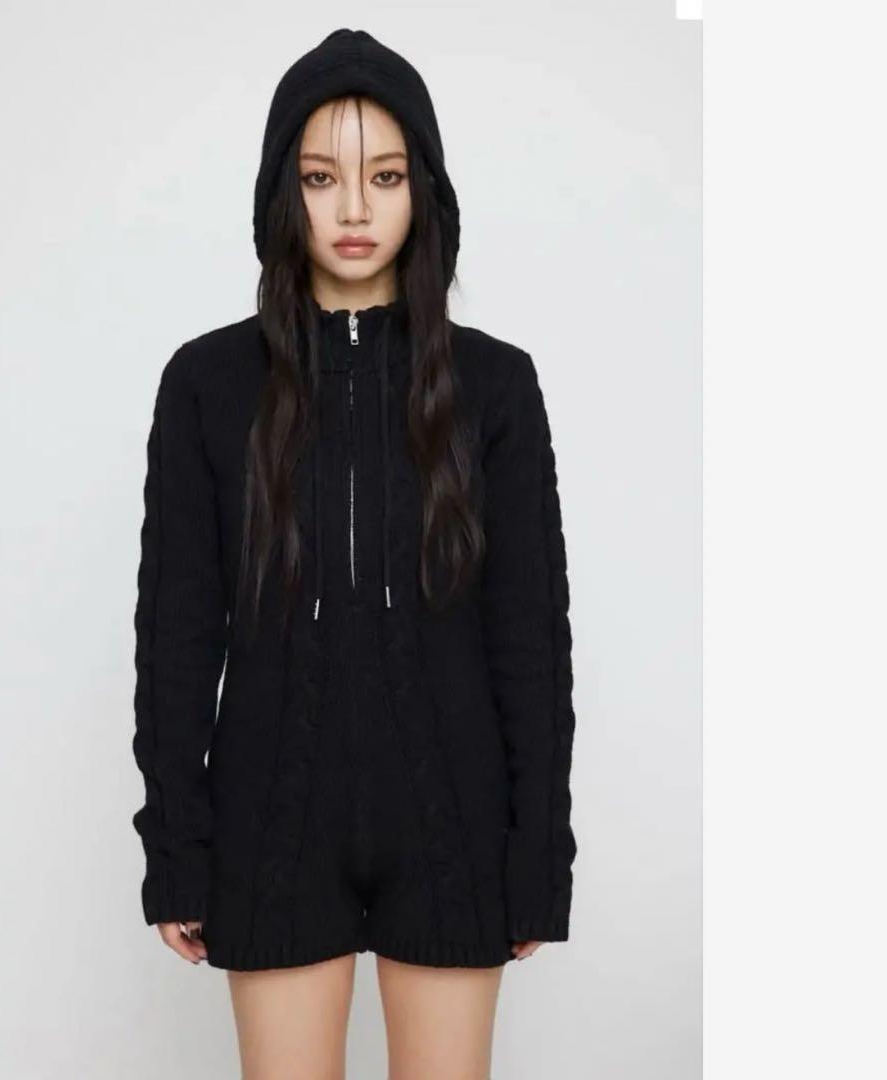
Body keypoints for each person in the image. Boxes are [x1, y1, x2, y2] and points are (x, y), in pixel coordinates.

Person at [131, 27, 577, 1080]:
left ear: (424, 188)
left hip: (454, 815)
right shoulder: (207, 385)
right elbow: (177, 639)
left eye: (384, 175)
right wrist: (176, 848)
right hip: (270, 816)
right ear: (283, 193)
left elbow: (529, 641)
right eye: (322, 178)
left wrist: (538, 853)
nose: (354, 210)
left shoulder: (495, 387)